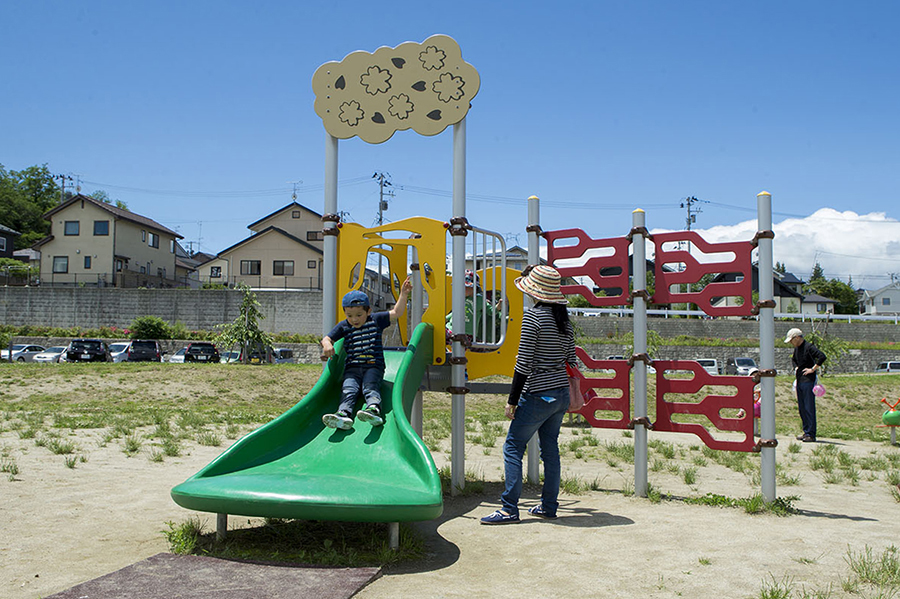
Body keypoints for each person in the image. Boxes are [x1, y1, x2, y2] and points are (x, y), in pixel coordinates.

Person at [481, 265, 576, 524]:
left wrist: (512, 400)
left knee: (513, 446)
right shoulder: (565, 320)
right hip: (560, 394)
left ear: (534, 292)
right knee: (550, 449)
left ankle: (509, 508)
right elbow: (572, 359)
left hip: (538, 393)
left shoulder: (533, 318)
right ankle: (548, 506)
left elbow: (522, 364)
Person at [321, 278, 412, 430]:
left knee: (370, 385)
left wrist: (403, 294)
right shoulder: (344, 326)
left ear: (368, 311)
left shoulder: (375, 320)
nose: (354, 319)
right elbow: (327, 338)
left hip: (373, 366)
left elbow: (397, 312)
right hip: (352, 368)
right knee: (348, 388)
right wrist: (327, 344)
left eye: (358, 315)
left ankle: (374, 409)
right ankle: (343, 414)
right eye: (349, 315)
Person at [785, 327, 826, 442]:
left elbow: (822, 356)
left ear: (797, 338)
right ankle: (806, 431)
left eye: (792, 340)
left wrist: (813, 369)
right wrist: (796, 367)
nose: (791, 343)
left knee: (809, 407)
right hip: (800, 380)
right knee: (802, 408)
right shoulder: (797, 349)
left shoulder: (809, 347)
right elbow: (794, 360)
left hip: (808, 380)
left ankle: (811, 434)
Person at [445, 269, 503, 347]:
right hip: (452, 328)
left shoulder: (480, 300)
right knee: (441, 334)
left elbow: (491, 311)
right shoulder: (460, 298)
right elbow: (455, 312)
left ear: (474, 288)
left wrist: (499, 306)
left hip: (468, 332)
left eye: (465, 287)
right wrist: (445, 319)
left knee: (462, 345)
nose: (462, 290)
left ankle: (456, 353)